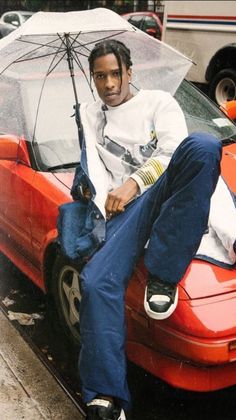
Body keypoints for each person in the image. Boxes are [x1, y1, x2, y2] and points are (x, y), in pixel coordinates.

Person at [63, 39, 222, 420]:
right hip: (121, 216)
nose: (109, 84)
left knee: (203, 145)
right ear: (92, 79)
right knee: (96, 280)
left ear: (129, 73)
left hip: (161, 195)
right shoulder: (91, 116)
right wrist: (85, 177)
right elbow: (92, 179)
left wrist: (133, 183)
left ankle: (163, 275)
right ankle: (105, 397)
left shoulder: (157, 103)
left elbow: (173, 155)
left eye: (115, 74)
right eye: (99, 76)